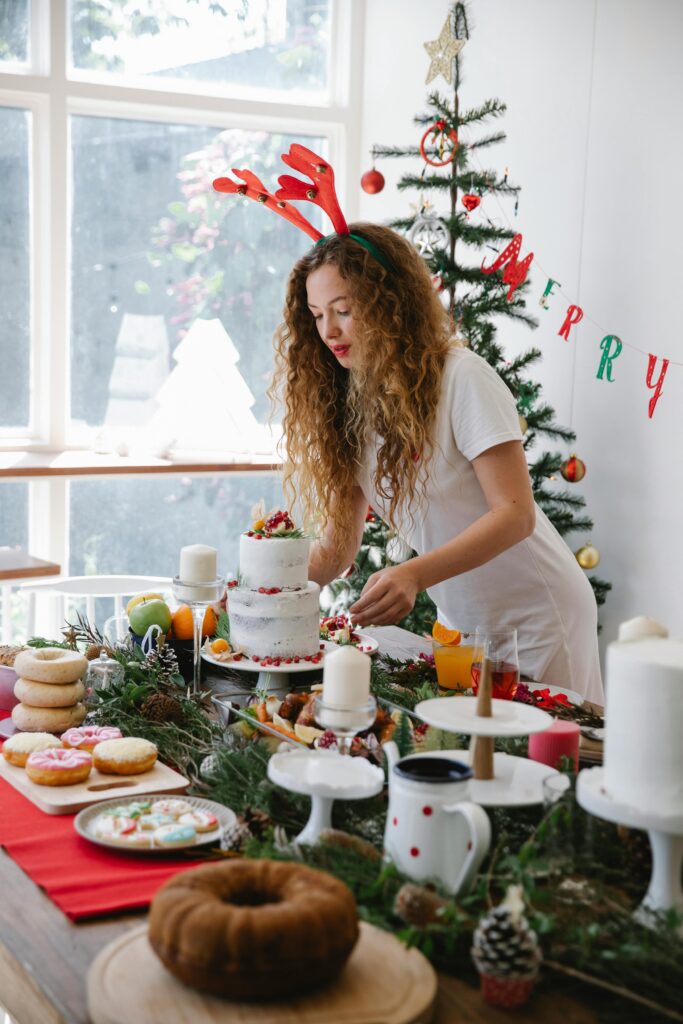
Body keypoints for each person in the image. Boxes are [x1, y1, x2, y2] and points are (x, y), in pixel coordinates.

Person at [271, 221, 603, 703]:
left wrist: (414, 574)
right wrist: (262, 590)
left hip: (539, 618)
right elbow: (337, 549)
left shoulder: (462, 378)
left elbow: (515, 514)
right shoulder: (346, 409)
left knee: (543, 763)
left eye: (343, 310)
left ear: (390, 304)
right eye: (318, 314)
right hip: (463, 626)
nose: (329, 331)